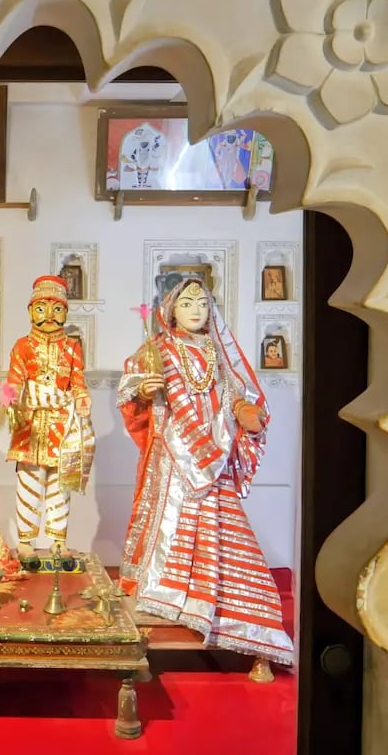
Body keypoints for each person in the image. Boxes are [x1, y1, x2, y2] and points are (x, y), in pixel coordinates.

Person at [117, 278, 294, 678]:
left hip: (213, 456)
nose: (196, 310)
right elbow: (129, 392)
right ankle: (164, 607)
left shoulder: (219, 352)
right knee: (168, 530)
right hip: (173, 460)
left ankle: (254, 630)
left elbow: (236, 394)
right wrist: (143, 390)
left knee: (230, 534)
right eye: (187, 303)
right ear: (171, 311)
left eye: (202, 303)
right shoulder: (156, 350)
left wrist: (244, 411)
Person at [0, 275, 95, 559]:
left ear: (65, 312)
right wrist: (8, 400)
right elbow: (14, 379)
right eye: (42, 308)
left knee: (61, 484)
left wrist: (82, 397)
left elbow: (77, 382)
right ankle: (25, 541)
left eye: (57, 309)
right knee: (29, 482)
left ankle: (58, 539)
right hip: (30, 424)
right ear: (31, 311)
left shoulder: (72, 347)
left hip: (64, 425)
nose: (49, 315)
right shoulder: (22, 345)